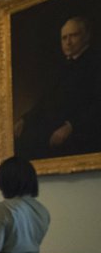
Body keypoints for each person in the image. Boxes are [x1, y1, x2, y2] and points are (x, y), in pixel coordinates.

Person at [14, 16, 101, 160]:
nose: (68, 42)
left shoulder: (95, 62)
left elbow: (97, 104)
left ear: (86, 36)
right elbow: (46, 100)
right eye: (64, 38)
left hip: (83, 132)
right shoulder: (61, 67)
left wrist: (71, 126)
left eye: (73, 35)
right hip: (54, 131)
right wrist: (24, 119)